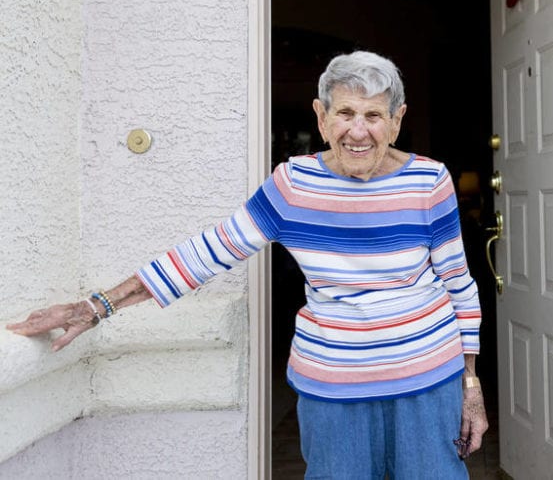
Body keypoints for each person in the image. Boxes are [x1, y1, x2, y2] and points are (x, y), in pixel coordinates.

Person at [6, 51, 488, 479]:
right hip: (334, 382)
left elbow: (459, 287)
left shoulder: (430, 180)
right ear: (321, 118)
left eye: (373, 115)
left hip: (428, 377)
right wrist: (95, 307)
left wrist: (470, 385)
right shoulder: (292, 185)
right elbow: (209, 251)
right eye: (344, 112)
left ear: (397, 120)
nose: (357, 130)